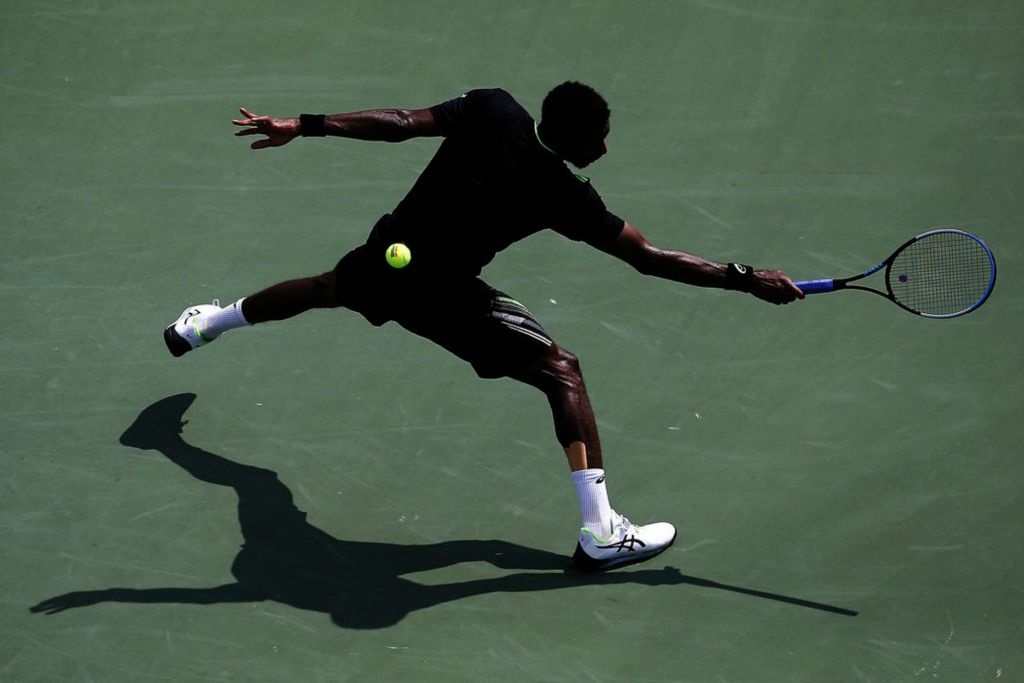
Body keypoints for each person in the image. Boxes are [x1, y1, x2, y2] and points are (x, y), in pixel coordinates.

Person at [164, 82, 804, 572]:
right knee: (562, 373)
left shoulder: (494, 108)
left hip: (390, 259)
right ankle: (601, 531)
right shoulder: (565, 193)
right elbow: (648, 258)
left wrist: (302, 126)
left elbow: (398, 125)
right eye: (598, 138)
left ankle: (205, 326)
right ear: (573, 137)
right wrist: (745, 277)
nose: (604, 149)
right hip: (446, 298)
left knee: (323, 291)